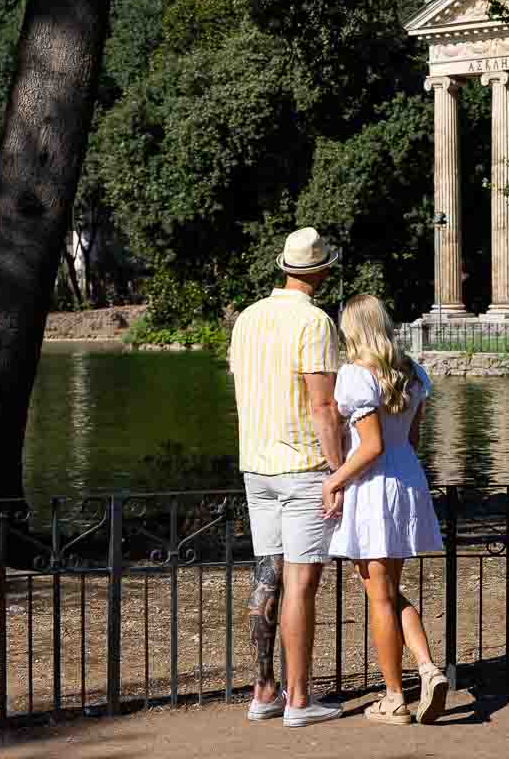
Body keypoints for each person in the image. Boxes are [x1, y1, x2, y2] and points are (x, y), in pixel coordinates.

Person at [229, 227, 343, 728]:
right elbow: (322, 406)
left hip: (255, 463)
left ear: (284, 267)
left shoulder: (247, 319)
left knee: (266, 576)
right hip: (300, 466)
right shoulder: (315, 322)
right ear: (320, 271)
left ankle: (263, 689)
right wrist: (338, 470)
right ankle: (299, 698)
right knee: (300, 583)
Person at [322, 295, 449, 726]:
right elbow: (409, 441)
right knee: (389, 591)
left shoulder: (356, 376)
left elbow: (371, 446)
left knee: (378, 596)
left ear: (354, 330)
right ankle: (428, 668)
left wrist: (334, 479)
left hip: (372, 487)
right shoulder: (412, 372)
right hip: (407, 479)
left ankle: (395, 698)